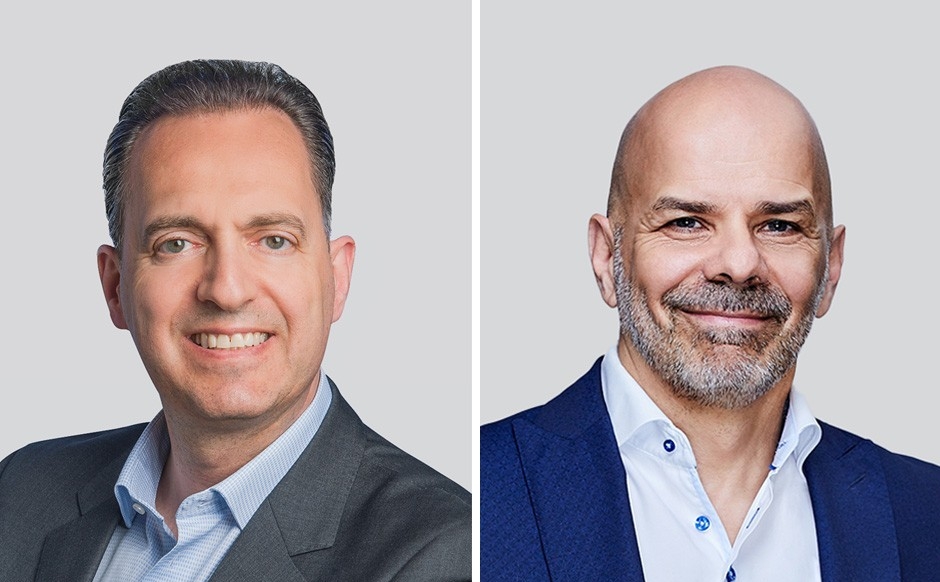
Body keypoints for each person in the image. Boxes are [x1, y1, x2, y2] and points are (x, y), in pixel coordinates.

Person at [0, 59, 470, 581]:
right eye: (176, 243)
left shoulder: (440, 552)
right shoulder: (21, 491)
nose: (226, 289)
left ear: (336, 278)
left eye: (274, 240)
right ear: (114, 286)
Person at [481, 66, 940, 581]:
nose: (739, 264)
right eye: (686, 223)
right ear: (606, 256)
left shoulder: (926, 514)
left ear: (830, 268)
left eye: (780, 225)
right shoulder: (479, 497)